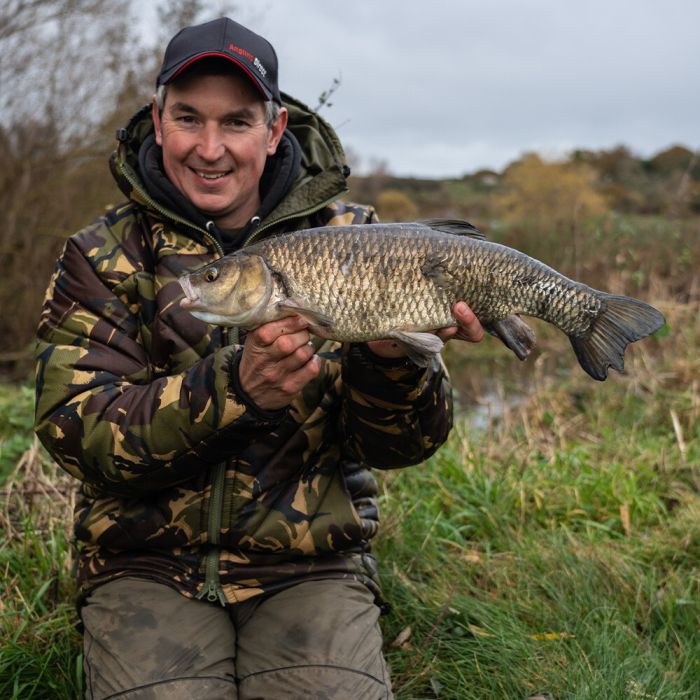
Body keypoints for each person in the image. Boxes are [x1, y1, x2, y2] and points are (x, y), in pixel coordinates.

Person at [34, 17, 483, 699]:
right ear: (157, 121)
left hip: (312, 565)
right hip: (145, 565)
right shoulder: (101, 254)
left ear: (274, 132)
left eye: (237, 122)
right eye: (189, 118)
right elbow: (76, 434)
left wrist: (392, 359)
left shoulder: (360, 240)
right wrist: (233, 392)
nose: (210, 148)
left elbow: (402, 447)